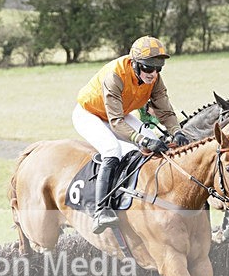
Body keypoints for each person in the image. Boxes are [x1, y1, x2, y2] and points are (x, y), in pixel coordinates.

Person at [73, 36, 189, 234]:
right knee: (113, 150)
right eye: (148, 68)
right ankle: (100, 210)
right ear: (135, 64)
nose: (153, 74)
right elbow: (116, 122)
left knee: (155, 141)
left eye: (158, 68)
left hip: (119, 114)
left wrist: (177, 132)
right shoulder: (115, 75)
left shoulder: (154, 79)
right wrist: (141, 140)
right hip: (89, 114)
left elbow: (165, 112)